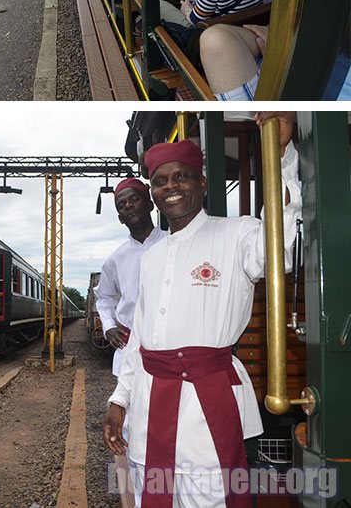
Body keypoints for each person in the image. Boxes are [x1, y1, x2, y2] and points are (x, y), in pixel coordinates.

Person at [103, 119, 301, 508]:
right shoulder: (153, 255)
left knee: (213, 496)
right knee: (153, 493)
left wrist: (281, 158)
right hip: (149, 406)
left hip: (207, 404)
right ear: (154, 193)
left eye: (182, 176)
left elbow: (283, 248)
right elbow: (140, 336)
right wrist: (119, 399)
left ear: (203, 182)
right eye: (160, 181)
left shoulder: (239, 233)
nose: (171, 187)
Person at [95, 179, 165, 378]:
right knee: (129, 408)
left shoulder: (173, 243)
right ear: (120, 218)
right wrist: (108, 327)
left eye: (134, 199)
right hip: (129, 352)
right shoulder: (115, 259)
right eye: (121, 205)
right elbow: (104, 298)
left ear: (150, 205)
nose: (128, 206)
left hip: (169, 348)